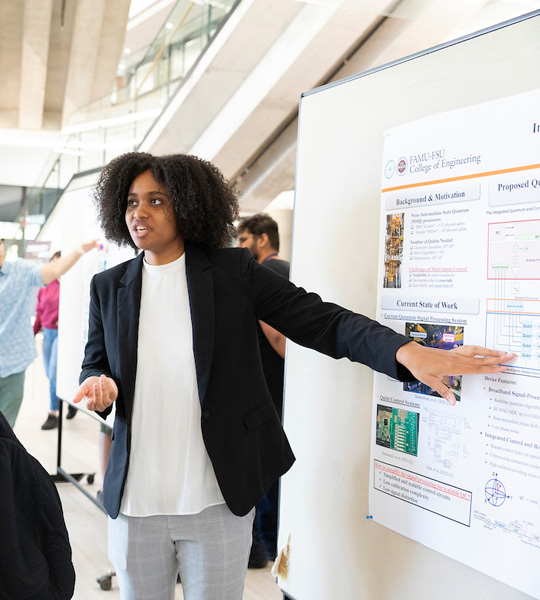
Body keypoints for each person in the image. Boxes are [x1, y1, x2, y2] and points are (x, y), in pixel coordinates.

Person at [73, 152, 514, 599]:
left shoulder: (232, 273)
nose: (139, 212)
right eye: (131, 201)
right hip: (135, 501)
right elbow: (96, 363)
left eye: (156, 200)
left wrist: (405, 352)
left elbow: (322, 321)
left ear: (187, 206)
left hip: (216, 497)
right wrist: (100, 384)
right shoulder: (109, 287)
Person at [0, 228, 97, 427]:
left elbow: (54, 270)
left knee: (5, 429)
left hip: (14, 366)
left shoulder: (19, 270)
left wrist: (79, 250)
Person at [237, 213, 289, 568]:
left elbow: (278, 338)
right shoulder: (290, 267)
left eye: (244, 240)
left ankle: (264, 546)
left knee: (264, 465)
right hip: (287, 385)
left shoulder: (265, 274)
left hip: (269, 384)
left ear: (263, 239)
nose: (239, 248)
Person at [35, 251, 78, 430]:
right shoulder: (45, 286)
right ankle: (69, 396)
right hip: (48, 333)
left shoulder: (71, 285)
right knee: (50, 374)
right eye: (53, 262)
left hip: (64, 333)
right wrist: (32, 332)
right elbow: (39, 311)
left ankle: (53, 412)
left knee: (53, 373)